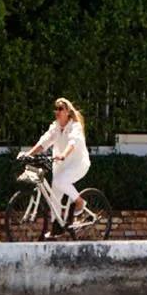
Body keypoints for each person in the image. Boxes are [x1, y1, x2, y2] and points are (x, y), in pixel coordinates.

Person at [27, 97, 90, 234]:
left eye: (60, 108)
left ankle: (80, 202)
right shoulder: (55, 127)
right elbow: (44, 141)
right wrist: (29, 154)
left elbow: (72, 143)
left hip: (77, 164)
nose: (57, 111)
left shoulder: (75, 126)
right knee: (54, 196)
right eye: (56, 109)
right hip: (60, 165)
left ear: (67, 111)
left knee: (60, 181)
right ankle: (57, 226)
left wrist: (63, 155)